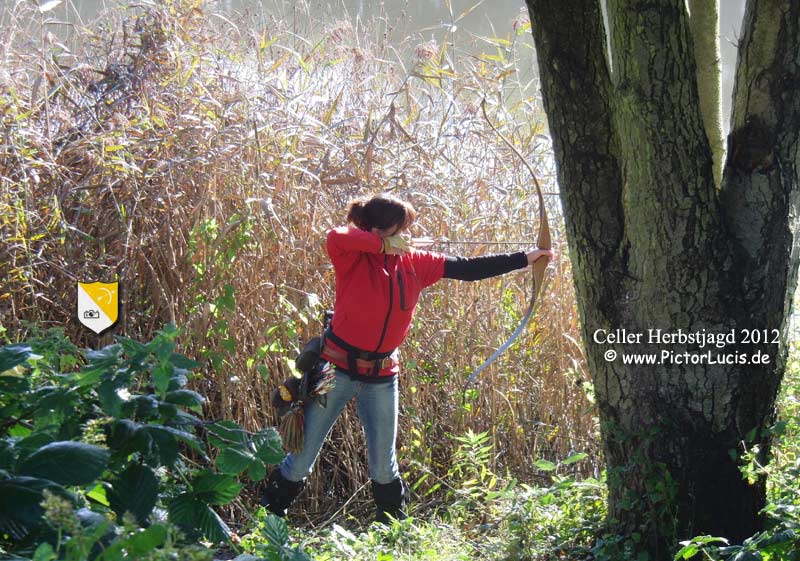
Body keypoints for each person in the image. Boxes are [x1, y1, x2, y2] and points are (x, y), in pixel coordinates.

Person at [261, 193, 553, 523]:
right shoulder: (352, 257)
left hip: (382, 376)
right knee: (301, 459)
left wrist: (526, 258)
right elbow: (336, 234)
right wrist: (380, 246)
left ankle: (395, 533)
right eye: (403, 227)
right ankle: (268, 523)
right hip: (334, 370)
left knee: (384, 466)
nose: (409, 234)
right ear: (380, 229)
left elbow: (469, 269)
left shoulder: (416, 262)